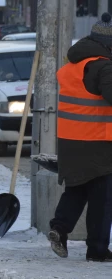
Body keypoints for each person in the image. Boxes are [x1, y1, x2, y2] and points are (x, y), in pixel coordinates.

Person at [48, 13, 112, 262]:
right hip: (97, 142)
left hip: (70, 140)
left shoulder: (75, 64)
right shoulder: (104, 66)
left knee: (77, 188)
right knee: (102, 196)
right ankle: (97, 249)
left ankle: (59, 228)